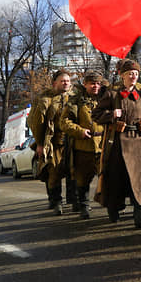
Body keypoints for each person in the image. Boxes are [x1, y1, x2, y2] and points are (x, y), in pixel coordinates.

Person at [93, 60, 141, 228]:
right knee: (115, 178)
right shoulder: (112, 95)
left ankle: (140, 215)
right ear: (122, 76)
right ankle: (113, 210)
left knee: (139, 179)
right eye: (130, 73)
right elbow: (95, 114)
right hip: (117, 142)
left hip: (138, 142)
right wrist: (112, 114)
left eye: (136, 74)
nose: (133, 76)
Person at [60, 71, 105, 219]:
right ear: (85, 84)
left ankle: (112, 205)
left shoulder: (106, 98)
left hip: (103, 145)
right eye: (92, 83)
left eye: (98, 83)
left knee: (107, 176)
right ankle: (84, 205)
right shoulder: (75, 101)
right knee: (82, 178)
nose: (95, 86)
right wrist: (79, 131)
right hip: (83, 146)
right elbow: (64, 122)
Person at [27, 69, 73, 215]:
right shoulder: (45, 99)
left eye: (68, 81)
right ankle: (55, 201)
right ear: (55, 83)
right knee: (54, 172)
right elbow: (36, 122)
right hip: (52, 142)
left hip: (71, 141)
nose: (66, 83)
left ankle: (76, 201)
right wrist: (40, 143)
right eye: (62, 81)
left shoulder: (74, 97)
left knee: (74, 172)